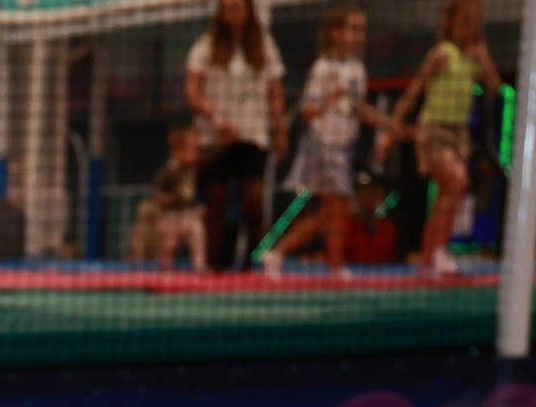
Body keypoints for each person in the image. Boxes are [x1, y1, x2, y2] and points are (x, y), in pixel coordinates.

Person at [265, 7, 392, 277]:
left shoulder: (358, 69)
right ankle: (331, 265)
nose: (359, 37)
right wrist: (328, 99)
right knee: (340, 206)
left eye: (362, 31)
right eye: (353, 30)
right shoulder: (322, 68)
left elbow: (358, 107)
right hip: (322, 143)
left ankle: (281, 254)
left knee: (331, 213)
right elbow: (308, 111)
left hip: (344, 144)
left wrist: (388, 124)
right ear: (335, 33)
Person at [394, 0, 503, 275]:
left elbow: (495, 89)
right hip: (434, 129)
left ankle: (431, 255)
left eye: (476, 21)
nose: (471, 26)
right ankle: (435, 252)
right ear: (451, 23)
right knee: (457, 181)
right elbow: (416, 87)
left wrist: (484, 59)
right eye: (466, 20)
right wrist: (395, 121)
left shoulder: (475, 57)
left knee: (450, 192)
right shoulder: (443, 53)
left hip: (459, 133)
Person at [185, 0, 288, 272]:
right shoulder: (205, 46)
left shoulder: (264, 45)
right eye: (228, 7)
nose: (233, 11)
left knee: (253, 200)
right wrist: (216, 119)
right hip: (215, 138)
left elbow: (275, 91)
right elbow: (193, 91)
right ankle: (214, 265)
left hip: (253, 135)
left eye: (238, 6)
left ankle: (251, 263)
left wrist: (280, 129)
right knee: (216, 200)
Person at [148, 124, 212, 270]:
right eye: (193, 149)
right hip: (169, 215)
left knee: (198, 234)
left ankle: (200, 266)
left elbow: (198, 192)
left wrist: (201, 205)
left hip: (188, 213)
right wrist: (164, 199)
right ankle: (166, 268)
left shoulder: (195, 170)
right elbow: (158, 192)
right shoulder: (169, 170)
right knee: (169, 245)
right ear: (177, 151)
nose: (198, 154)